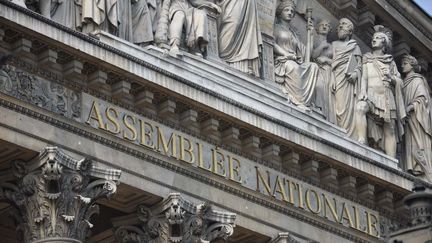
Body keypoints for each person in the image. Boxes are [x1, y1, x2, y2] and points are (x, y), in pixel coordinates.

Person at [356, 25, 406, 157]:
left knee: (389, 129)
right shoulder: (367, 58)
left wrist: (391, 78)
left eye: (377, 38)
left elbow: (400, 81)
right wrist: (362, 91)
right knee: (360, 108)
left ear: (384, 43)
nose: (374, 40)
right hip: (371, 94)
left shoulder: (390, 62)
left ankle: (392, 160)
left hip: (386, 96)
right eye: (373, 38)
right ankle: (361, 140)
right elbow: (364, 77)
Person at [273, 0, 319, 110]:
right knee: (292, 67)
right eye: (287, 10)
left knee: (313, 66)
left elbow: (305, 53)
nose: (290, 13)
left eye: (292, 11)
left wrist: (311, 35)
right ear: (280, 12)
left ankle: (304, 101)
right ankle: (298, 101)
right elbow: (272, 43)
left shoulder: (294, 33)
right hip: (282, 60)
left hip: (295, 60)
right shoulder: (276, 27)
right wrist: (286, 54)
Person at [401, 55, 432, 179]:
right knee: (409, 143)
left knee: (417, 144)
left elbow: (422, 99)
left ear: (412, 65)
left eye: (405, 63)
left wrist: (411, 107)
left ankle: (423, 169)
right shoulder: (404, 82)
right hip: (408, 120)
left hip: (416, 118)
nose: (402, 66)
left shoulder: (418, 80)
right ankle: (413, 167)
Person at [331, 18, 362, 138]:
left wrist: (355, 74)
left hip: (349, 81)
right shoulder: (334, 44)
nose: (339, 27)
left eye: (343, 24)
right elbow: (332, 62)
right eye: (339, 25)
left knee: (349, 107)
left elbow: (359, 66)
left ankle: (350, 134)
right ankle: (340, 131)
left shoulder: (355, 47)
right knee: (339, 107)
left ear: (350, 31)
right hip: (337, 77)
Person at [217, 0, 262, 77]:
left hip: (248, 3)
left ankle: (244, 63)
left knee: (248, 27)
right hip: (230, 3)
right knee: (233, 23)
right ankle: (224, 55)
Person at [312, 19, 333, 122]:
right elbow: (312, 55)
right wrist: (321, 47)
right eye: (322, 25)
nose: (324, 27)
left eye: (327, 25)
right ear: (317, 28)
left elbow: (337, 63)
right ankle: (318, 109)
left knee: (327, 94)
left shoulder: (332, 46)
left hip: (328, 72)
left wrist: (327, 60)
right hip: (316, 69)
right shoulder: (313, 40)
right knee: (318, 86)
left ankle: (325, 116)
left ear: (329, 30)